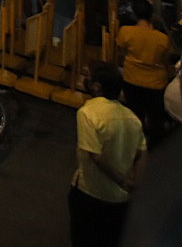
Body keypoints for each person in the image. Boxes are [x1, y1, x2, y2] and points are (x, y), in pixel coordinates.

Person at [69, 65, 146, 247]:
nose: (84, 78)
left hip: (90, 193)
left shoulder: (87, 113)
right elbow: (142, 153)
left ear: (97, 86)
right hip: (120, 200)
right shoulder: (132, 118)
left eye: (88, 76)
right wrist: (135, 185)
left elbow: (95, 155)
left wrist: (121, 181)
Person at [114, 0, 173, 138]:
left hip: (131, 79)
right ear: (151, 15)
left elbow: (120, 53)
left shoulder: (125, 31)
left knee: (135, 115)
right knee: (155, 118)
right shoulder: (162, 38)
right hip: (156, 84)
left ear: (134, 14)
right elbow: (166, 60)